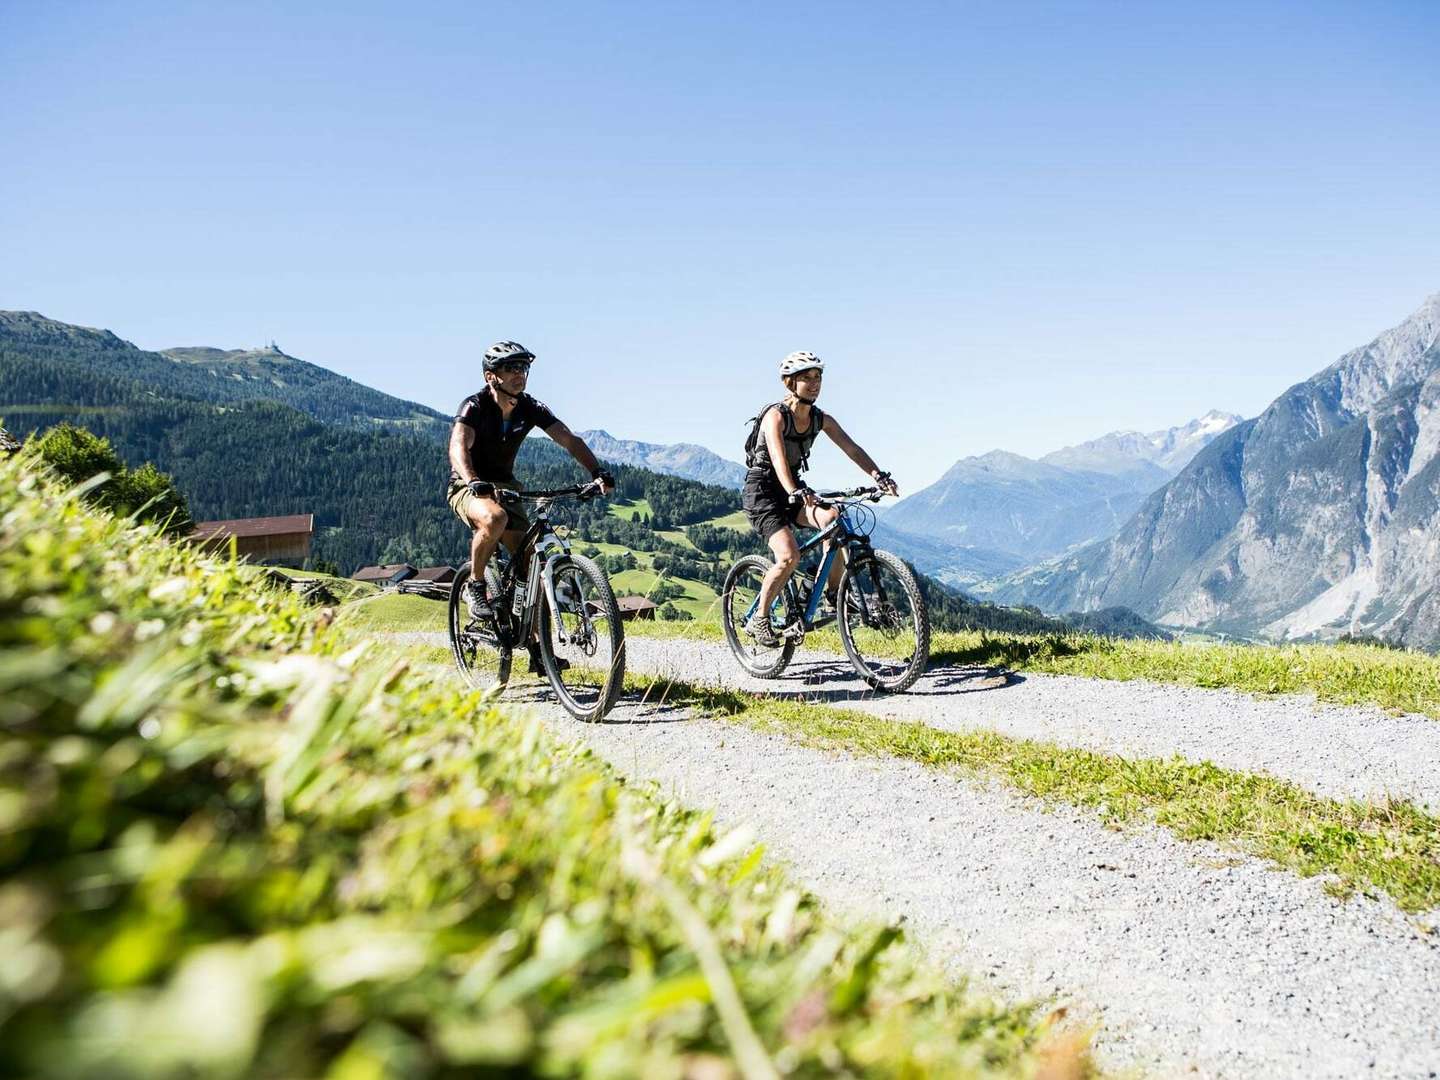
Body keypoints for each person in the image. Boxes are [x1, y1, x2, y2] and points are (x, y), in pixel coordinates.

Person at [447, 340, 615, 672]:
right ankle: (476, 586)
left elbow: (568, 439)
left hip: (508, 487)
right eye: (510, 368)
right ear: (490, 376)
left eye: (522, 367)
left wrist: (597, 472)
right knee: (493, 519)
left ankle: (539, 649)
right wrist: (471, 479)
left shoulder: (530, 407)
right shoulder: (475, 406)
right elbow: (458, 446)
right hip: (467, 485)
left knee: (531, 566)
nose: (518, 374)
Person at [741, 351, 898, 647]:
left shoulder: (820, 419)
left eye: (818, 377)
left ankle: (831, 593)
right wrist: (793, 490)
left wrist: (878, 476)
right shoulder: (776, 416)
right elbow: (777, 457)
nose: (815, 384)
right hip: (763, 490)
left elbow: (851, 448)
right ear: (790, 383)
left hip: (794, 489)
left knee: (833, 519)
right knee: (789, 557)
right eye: (807, 378)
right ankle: (759, 618)